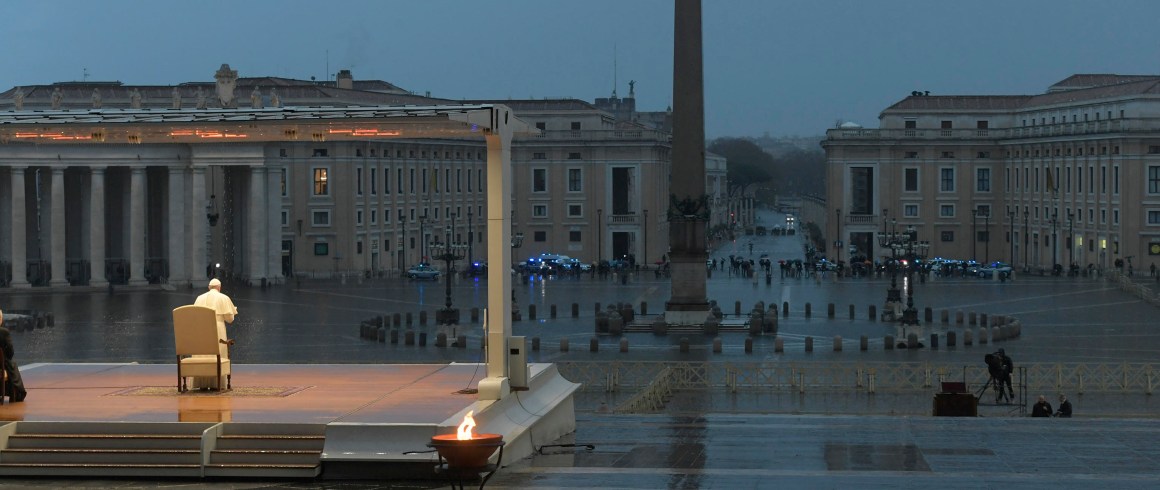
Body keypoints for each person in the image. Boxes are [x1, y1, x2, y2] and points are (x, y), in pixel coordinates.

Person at [192, 279, 237, 389]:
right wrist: (233, 310)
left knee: (202, 355)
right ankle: (217, 384)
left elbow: (194, 317)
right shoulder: (224, 298)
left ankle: (201, 383)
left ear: (209, 287)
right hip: (218, 329)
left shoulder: (199, 298)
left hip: (201, 330)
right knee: (217, 354)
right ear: (219, 287)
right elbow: (230, 319)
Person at [0, 308, 28, 402]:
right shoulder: (3, 332)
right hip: (1, 365)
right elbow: (10, 352)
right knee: (11, 365)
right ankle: (16, 394)